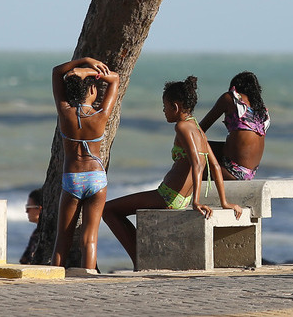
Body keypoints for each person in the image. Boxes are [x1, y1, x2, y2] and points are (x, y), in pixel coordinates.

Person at [102, 76, 243, 268]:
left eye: (165, 106)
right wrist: (224, 202)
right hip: (178, 197)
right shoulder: (197, 128)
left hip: (168, 196)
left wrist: (196, 202)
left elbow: (196, 163)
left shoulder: (182, 127)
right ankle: (141, 258)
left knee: (108, 210)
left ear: (175, 107)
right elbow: (215, 166)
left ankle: (139, 260)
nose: (164, 111)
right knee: (115, 210)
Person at [51, 57, 119, 269]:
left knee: (63, 240)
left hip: (72, 178)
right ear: (91, 91)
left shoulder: (65, 111)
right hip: (96, 178)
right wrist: (90, 72)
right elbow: (115, 79)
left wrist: (82, 62)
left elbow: (56, 72)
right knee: (89, 239)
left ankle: (54, 282)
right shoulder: (101, 115)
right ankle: (88, 280)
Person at [198, 71, 270, 180]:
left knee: (190, 155)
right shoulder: (262, 111)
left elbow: (200, 129)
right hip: (249, 173)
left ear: (234, 87)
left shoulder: (230, 98)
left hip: (233, 171)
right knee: (204, 147)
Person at [20, 188, 43, 264]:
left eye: (29, 208)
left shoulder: (40, 234)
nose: (26, 211)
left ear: (39, 209)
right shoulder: (36, 232)